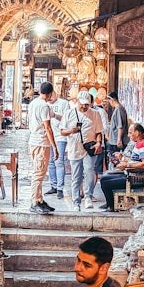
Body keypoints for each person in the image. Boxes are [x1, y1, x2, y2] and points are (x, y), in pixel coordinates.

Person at [98, 123, 144, 211]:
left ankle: (111, 206)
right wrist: (122, 158)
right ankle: (110, 203)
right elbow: (135, 160)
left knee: (105, 182)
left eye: (130, 133)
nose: (128, 135)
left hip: (136, 178)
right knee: (104, 177)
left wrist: (127, 165)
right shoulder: (139, 144)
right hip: (131, 174)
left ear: (137, 133)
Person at [61, 91, 97, 211]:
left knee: (89, 173)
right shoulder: (69, 113)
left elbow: (99, 132)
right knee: (76, 176)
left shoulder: (95, 114)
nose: (84, 107)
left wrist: (99, 143)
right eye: (82, 104)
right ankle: (76, 201)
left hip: (89, 149)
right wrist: (71, 130)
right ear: (77, 102)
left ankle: (88, 197)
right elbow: (62, 131)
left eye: (87, 104)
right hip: (74, 148)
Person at [27, 82, 59, 214]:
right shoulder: (43, 106)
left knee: (39, 171)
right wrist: (54, 146)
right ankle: (34, 201)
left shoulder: (33, 103)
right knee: (38, 173)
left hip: (34, 141)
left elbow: (53, 115)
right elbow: (48, 128)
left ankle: (39, 199)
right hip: (41, 142)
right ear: (50, 93)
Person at [48, 91, 72, 200]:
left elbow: (68, 119)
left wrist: (55, 115)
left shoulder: (64, 103)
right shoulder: (45, 104)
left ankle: (60, 188)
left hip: (60, 137)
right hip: (48, 136)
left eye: (51, 95)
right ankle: (53, 185)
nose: (50, 98)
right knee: (51, 162)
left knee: (59, 161)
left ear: (54, 93)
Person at [106, 91, 129, 157]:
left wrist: (119, 139)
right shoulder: (118, 108)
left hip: (115, 141)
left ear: (112, 100)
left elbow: (120, 126)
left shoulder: (119, 109)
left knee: (115, 160)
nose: (109, 103)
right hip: (115, 140)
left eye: (109, 100)